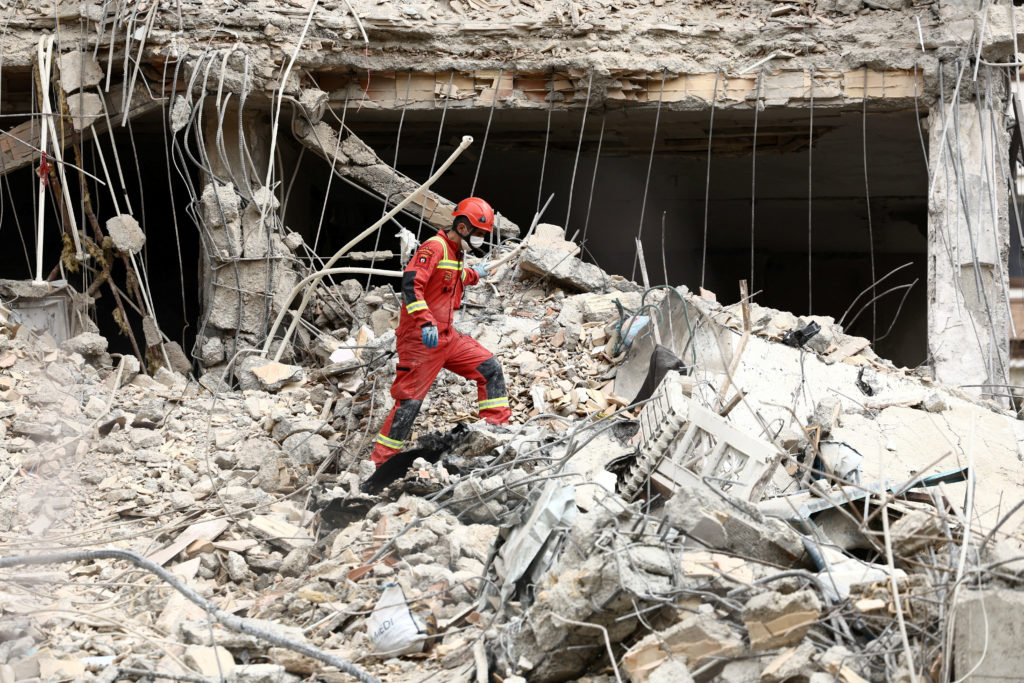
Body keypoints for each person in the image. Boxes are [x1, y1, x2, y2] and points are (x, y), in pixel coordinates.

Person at [370, 197, 511, 467]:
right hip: (421, 340)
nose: (481, 239)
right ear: (461, 226)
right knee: (409, 403)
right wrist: (425, 322)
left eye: (484, 234)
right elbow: (412, 286)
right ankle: (380, 464)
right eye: (479, 233)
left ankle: (496, 431)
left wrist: (474, 273)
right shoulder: (434, 247)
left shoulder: (455, 253)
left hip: (447, 336)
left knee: (490, 368)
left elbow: (450, 279)